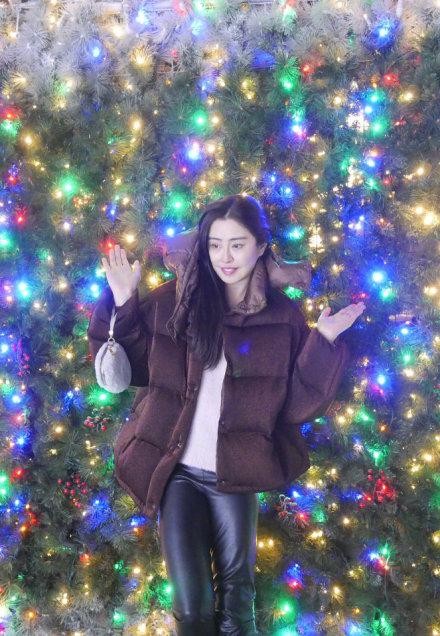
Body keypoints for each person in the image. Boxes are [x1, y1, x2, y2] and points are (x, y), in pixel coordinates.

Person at [87, 194, 365, 635]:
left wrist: (323, 341)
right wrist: (123, 302)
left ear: (260, 247)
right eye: (215, 245)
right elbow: (130, 368)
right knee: (192, 608)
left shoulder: (282, 318)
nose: (225, 257)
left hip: (235, 474)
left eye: (237, 245)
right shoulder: (175, 301)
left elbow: (295, 405)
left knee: (238, 604)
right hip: (176, 473)